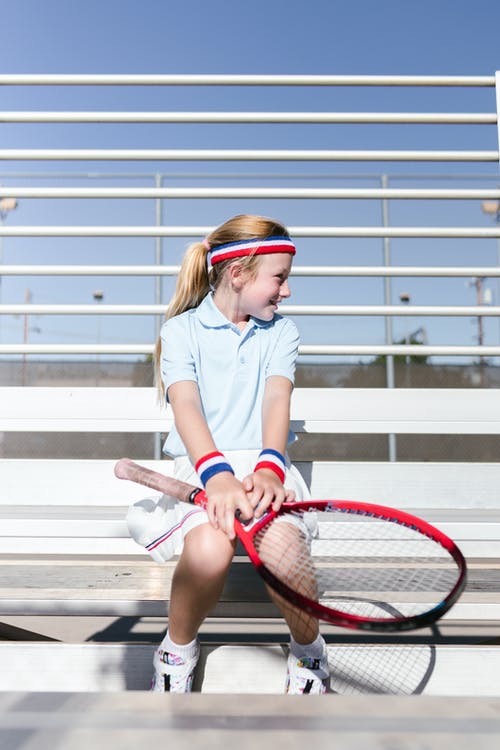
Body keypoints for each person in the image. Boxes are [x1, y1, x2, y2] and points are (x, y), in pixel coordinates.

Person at [127, 214, 329, 694]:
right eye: (279, 278)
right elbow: (187, 406)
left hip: (266, 472)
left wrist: (267, 468)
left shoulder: (282, 333)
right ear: (238, 274)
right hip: (202, 470)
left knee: (283, 549)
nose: (286, 291)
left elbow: (277, 400)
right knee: (209, 551)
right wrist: (216, 474)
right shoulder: (180, 332)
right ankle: (176, 654)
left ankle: (310, 655)